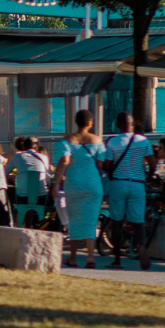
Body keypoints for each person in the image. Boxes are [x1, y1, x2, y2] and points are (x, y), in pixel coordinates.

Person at [51, 109, 105, 269]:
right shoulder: (98, 141)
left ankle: (73, 257)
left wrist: (55, 184)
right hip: (93, 183)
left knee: (74, 220)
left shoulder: (67, 140)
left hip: (74, 183)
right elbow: (100, 164)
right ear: (90, 123)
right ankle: (90, 257)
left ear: (76, 122)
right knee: (91, 221)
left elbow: (64, 161)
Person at [102, 112, 151, 269]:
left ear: (118, 125)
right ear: (133, 123)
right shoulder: (144, 141)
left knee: (117, 221)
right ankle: (141, 246)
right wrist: (147, 178)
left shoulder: (112, 142)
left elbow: (108, 165)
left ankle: (117, 260)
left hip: (119, 183)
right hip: (137, 183)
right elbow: (153, 163)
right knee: (138, 222)